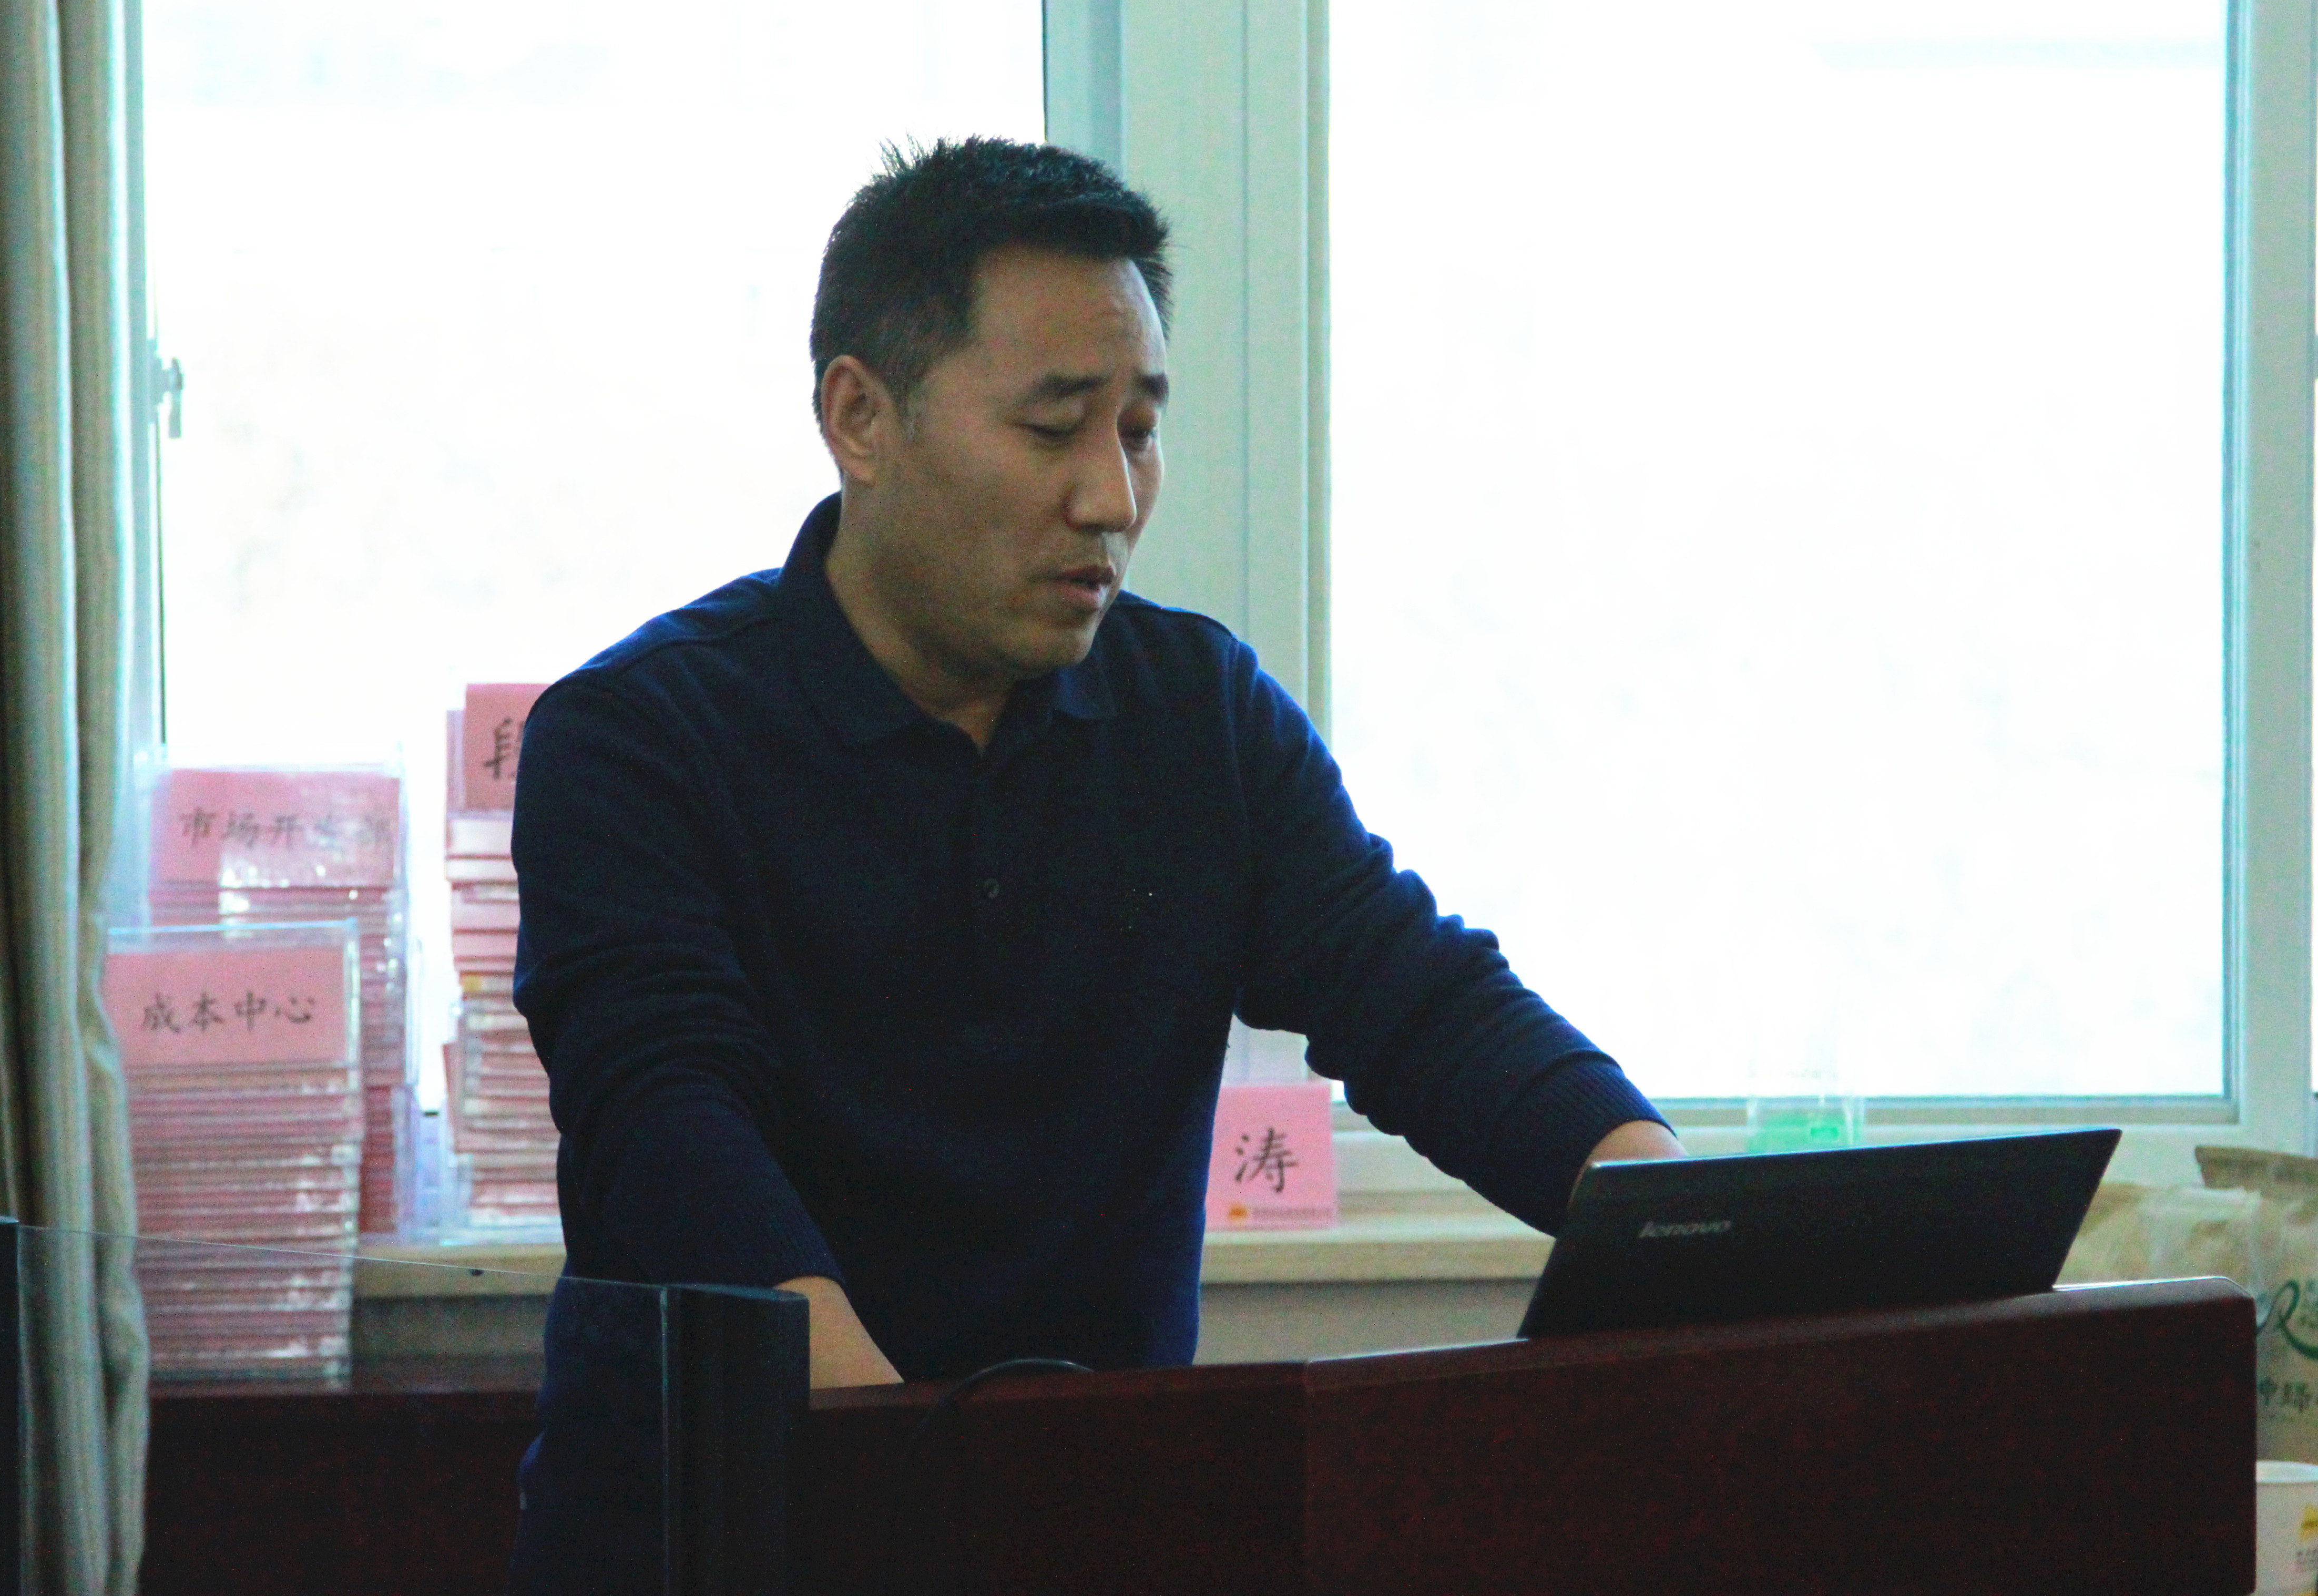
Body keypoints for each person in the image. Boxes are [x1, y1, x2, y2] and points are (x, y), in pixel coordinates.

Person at [510, 138, 1682, 1399]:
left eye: (1138, 431)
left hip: (1097, 1483)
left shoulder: (1199, 717)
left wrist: (1684, 1228)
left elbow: (1423, 1004)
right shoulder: (635, 741)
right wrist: (892, 1454)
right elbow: (672, 1138)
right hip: (757, 1487)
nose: (1112, 498)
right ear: (860, 419)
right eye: (1054, 427)